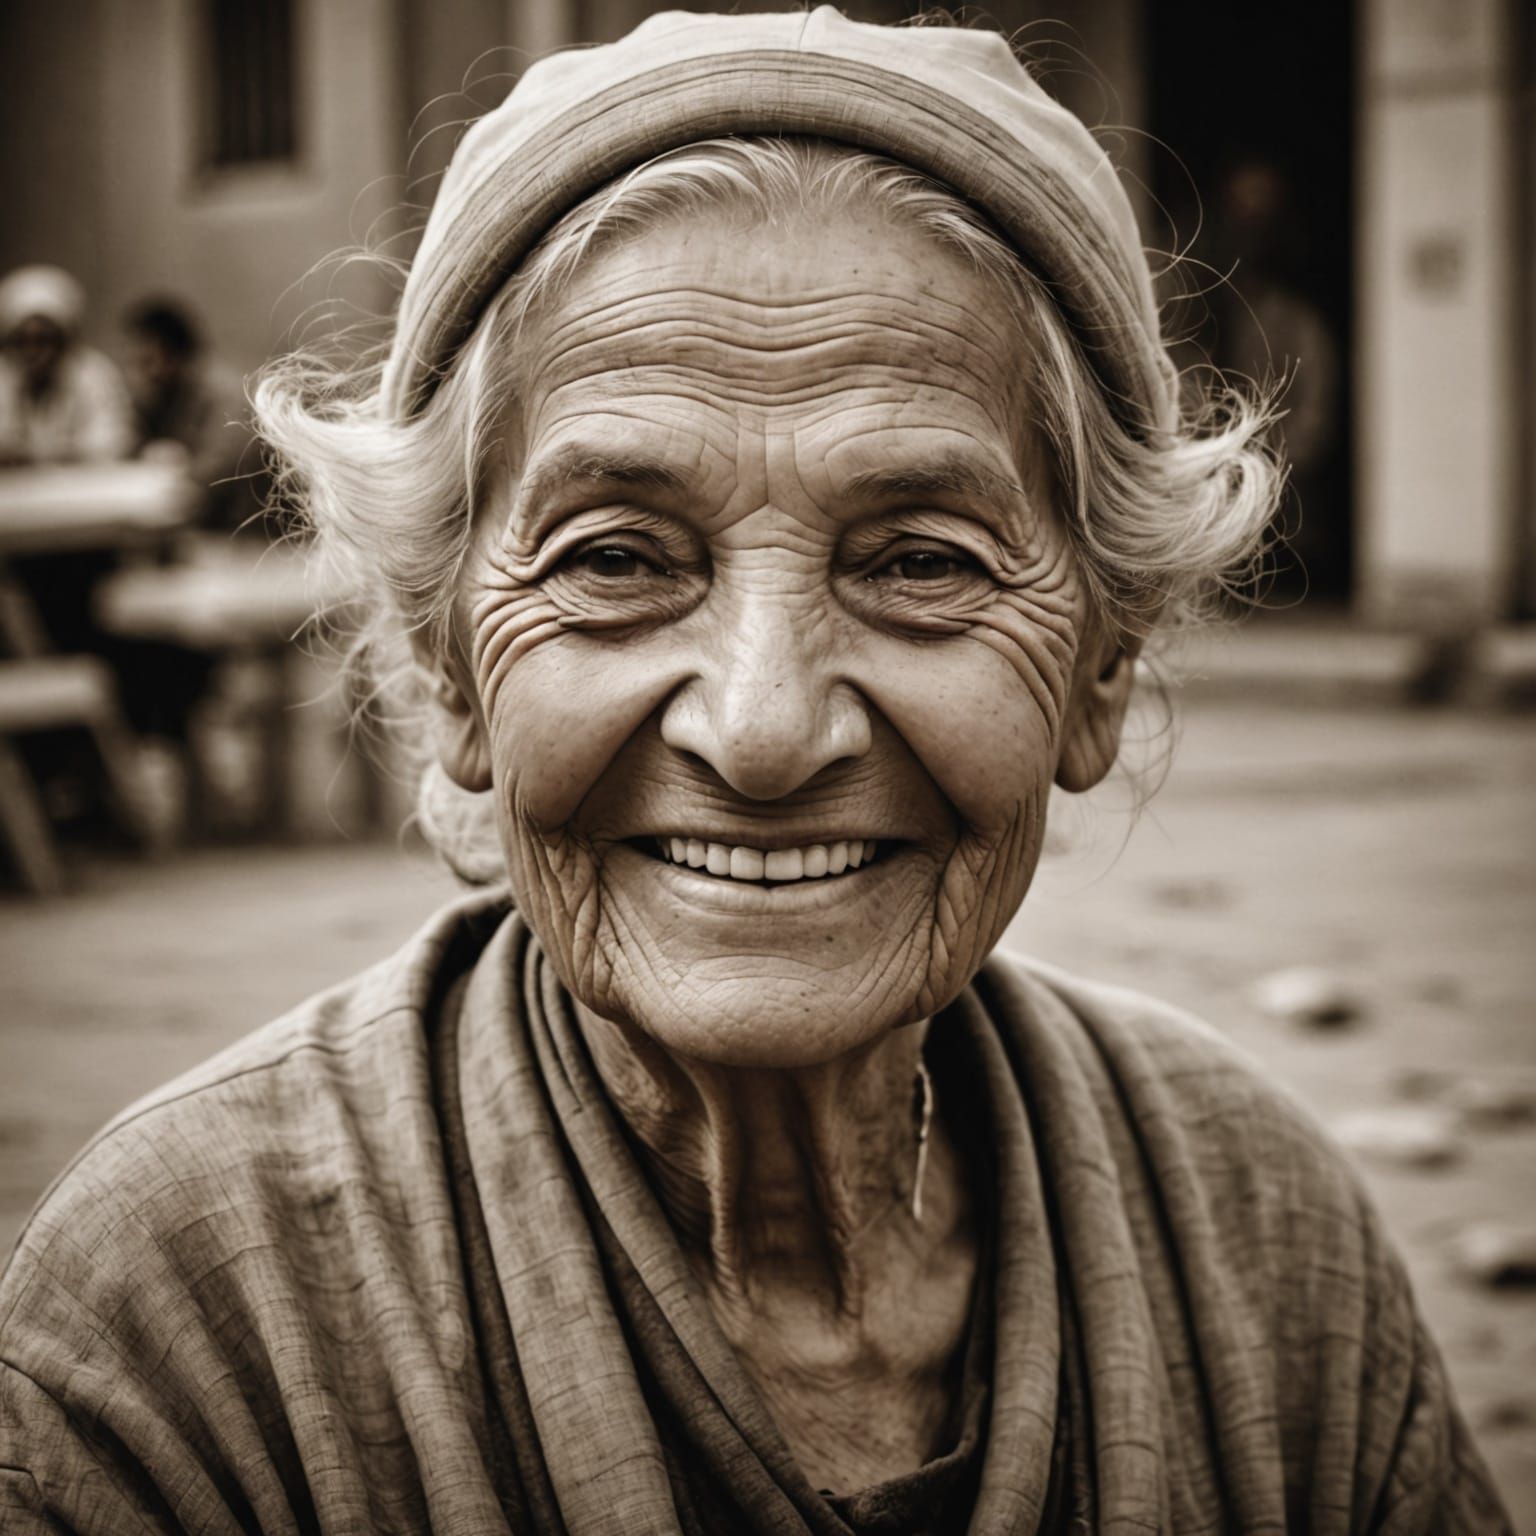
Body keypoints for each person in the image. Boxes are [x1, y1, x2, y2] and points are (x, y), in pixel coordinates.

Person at [0, 12, 1512, 1533]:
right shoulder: (177, 1326)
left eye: (922, 559)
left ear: (1100, 665)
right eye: (615, 560)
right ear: (451, 667)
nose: (765, 726)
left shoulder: (1264, 1244)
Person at [123, 296, 260, 533]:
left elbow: (219, 473)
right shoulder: (157, 395)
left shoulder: (224, 395)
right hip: (194, 517)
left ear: (174, 356)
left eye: (147, 362)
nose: (141, 373)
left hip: (234, 531)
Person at [0, 264, 133, 467]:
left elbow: (114, 441)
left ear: (65, 341)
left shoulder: (94, 374)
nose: (32, 352)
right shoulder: (4, 376)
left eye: (43, 341)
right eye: (22, 341)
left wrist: (45, 456)